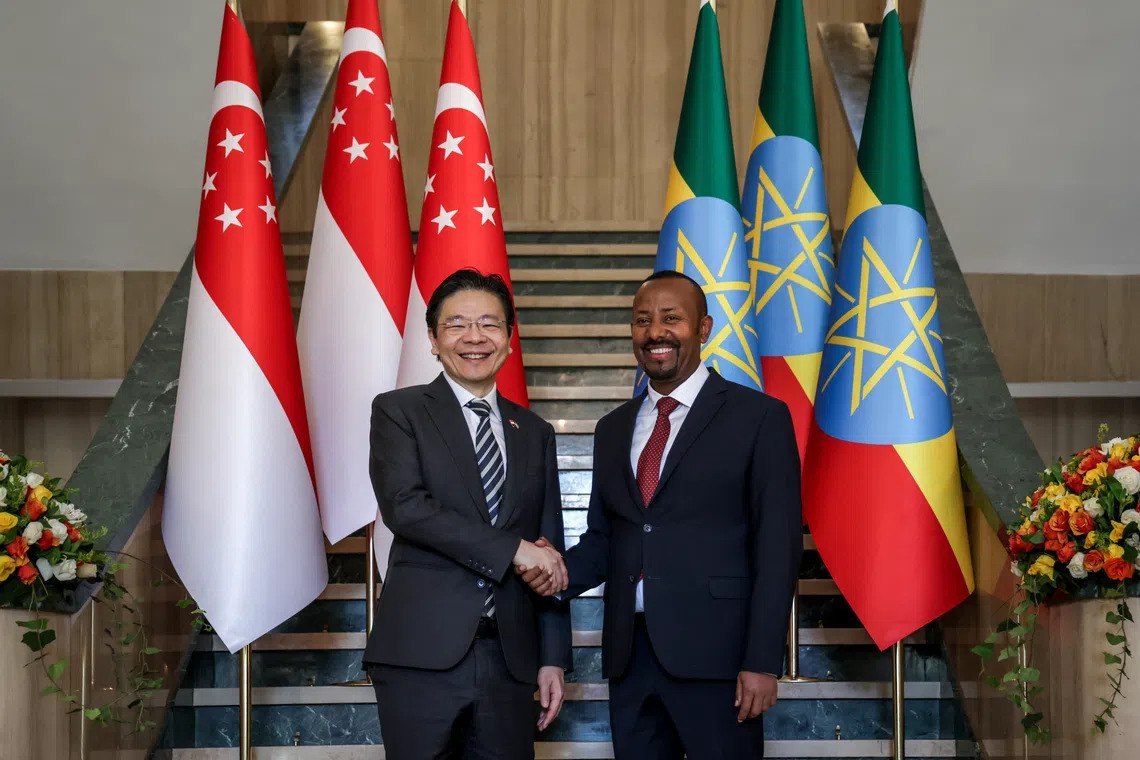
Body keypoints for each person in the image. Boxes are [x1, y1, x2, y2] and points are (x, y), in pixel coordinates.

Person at [522, 270, 803, 759]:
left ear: (703, 328)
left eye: (671, 318)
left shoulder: (759, 417)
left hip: (720, 660)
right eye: (642, 321)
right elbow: (606, 538)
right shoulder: (613, 428)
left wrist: (762, 661)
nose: (655, 332)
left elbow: (777, 548)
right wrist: (554, 571)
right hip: (631, 660)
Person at [364, 268, 572, 759]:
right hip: (421, 655)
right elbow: (406, 508)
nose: (474, 337)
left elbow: (548, 548)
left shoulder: (535, 431)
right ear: (433, 339)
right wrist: (513, 549)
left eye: (489, 324)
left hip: (510, 659)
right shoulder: (399, 411)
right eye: (456, 324)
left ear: (509, 339)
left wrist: (554, 657)